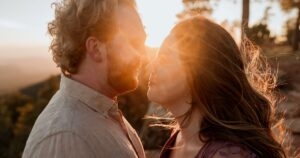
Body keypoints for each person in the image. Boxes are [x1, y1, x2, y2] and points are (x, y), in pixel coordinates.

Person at [147, 16, 286, 158]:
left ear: (197, 71)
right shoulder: (179, 138)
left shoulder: (230, 155)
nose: (152, 66)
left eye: (164, 58)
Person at [22, 0, 146, 157]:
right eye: (134, 43)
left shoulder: (102, 111)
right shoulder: (66, 137)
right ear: (96, 49)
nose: (143, 55)